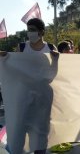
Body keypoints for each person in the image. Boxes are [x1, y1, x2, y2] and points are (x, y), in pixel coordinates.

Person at [0, 18, 58, 154]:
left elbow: (52, 75)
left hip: (42, 98)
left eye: (33, 30)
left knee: (40, 132)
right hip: (23, 96)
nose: (30, 33)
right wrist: (5, 57)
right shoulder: (22, 47)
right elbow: (15, 68)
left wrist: (55, 60)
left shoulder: (50, 48)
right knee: (18, 128)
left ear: (41, 32)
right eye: (28, 29)